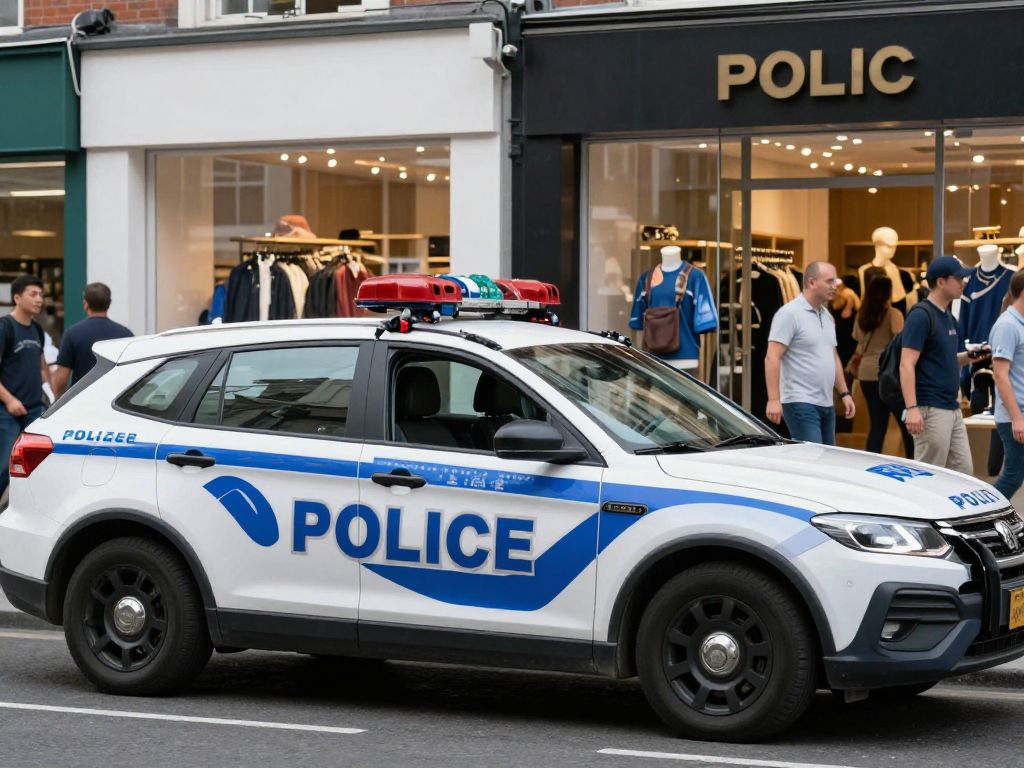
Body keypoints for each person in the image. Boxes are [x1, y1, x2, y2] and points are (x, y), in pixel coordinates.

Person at [900, 256, 984, 473]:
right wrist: (912, 408)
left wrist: (970, 356)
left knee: (963, 473)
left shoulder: (948, 317)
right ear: (940, 282)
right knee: (929, 474)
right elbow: (906, 364)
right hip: (930, 407)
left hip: (951, 406)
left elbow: (946, 360)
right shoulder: (921, 315)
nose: (963, 283)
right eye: (958, 278)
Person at [765, 261, 856, 445]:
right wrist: (774, 399)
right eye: (829, 281)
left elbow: (833, 356)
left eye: (835, 281)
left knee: (825, 459)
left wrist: (844, 393)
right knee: (812, 459)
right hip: (800, 400)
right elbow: (772, 357)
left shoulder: (827, 316)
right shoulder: (789, 314)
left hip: (826, 402)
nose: (835, 286)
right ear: (812, 283)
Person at [0, 275, 53, 496]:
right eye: (33, 294)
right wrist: (10, 400)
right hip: (7, 412)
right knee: (4, 466)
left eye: (41, 294)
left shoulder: (38, 330)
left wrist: (51, 395)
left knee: (39, 466)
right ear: (17, 297)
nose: (39, 299)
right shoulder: (5, 328)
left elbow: (43, 368)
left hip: (34, 410)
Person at [853, 277, 914, 457]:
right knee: (906, 424)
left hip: (865, 373)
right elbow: (900, 343)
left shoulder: (861, 315)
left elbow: (858, 341)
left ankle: (871, 462)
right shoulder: (893, 315)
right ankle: (913, 460)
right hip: (887, 374)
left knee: (877, 425)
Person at [54, 282, 133, 397]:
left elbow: (61, 378)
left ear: (85, 304)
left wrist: (57, 399)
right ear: (109, 304)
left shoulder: (72, 333)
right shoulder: (126, 334)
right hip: (115, 401)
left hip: (82, 400)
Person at [988, 269, 1024, 502]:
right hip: (1016, 414)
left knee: (1014, 474)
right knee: (1013, 475)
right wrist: (1017, 418)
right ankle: (984, 515)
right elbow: (1000, 375)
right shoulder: (1007, 326)